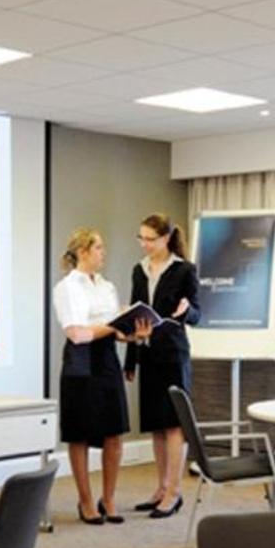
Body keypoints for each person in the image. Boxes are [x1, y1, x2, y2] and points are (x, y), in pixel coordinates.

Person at [52, 228, 136, 526]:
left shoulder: (107, 286)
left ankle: (109, 499)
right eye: (99, 247)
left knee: (114, 431)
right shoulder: (67, 287)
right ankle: (85, 500)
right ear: (83, 251)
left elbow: (116, 331)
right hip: (80, 361)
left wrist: (134, 333)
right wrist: (113, 326)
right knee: (81, 433)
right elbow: (77, 333)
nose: (104, 252)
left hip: (107, 359)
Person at [125, 213, 202, 518]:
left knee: (173, 425)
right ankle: (160, 488)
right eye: (140, 238)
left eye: (150, 239)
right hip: (147, 353)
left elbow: (198, 314)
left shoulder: (184, 269)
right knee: (156, 425)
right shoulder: (138, 270)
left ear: (166, 238)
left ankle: (174, 492)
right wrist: (131, 358)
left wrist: (185, 312)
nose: (144, 244)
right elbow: (135, 314)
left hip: (173, 354)